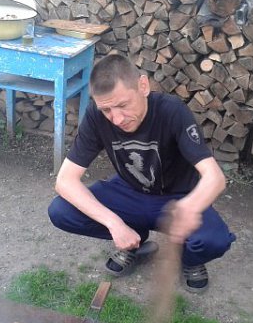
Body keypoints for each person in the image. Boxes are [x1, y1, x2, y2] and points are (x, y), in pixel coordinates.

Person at [48, 54, 236, 293]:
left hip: (176, 198)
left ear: (143, 86)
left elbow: (215, 177)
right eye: (106, 110)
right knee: (61, 211)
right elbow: (65, 181)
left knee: (214, 240)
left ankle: (189, 260)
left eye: (123, 105)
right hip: (129, 192)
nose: (116, 119)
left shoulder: (172, 111)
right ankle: (133, 240)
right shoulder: (96, 116)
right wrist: (115, 224)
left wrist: (190, 207)